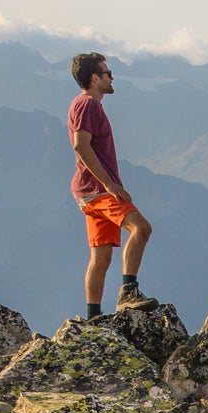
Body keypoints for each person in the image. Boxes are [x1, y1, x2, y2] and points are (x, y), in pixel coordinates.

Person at [67, 52, 154, 317]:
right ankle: (128, 292)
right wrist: (109, 184)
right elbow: (81, 145)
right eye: (107, 72)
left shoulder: (82, 105)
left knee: (101, 256)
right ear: (95, 78)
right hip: (97, 190)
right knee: (141, 228)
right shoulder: (88, 105)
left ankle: (93, 315)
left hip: (87, 192)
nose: (111, 76)